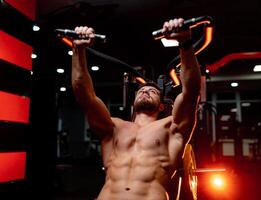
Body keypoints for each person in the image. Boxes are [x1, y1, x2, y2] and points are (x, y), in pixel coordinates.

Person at [72, 18, 200, 200]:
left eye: (152, 91)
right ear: (133, 102)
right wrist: (78, 49)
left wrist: (184, 42)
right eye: (141, 91)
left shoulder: (172, 128)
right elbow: (84, 94)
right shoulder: (113, 128)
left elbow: (191, 93)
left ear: (162, 105)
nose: (145, 92)